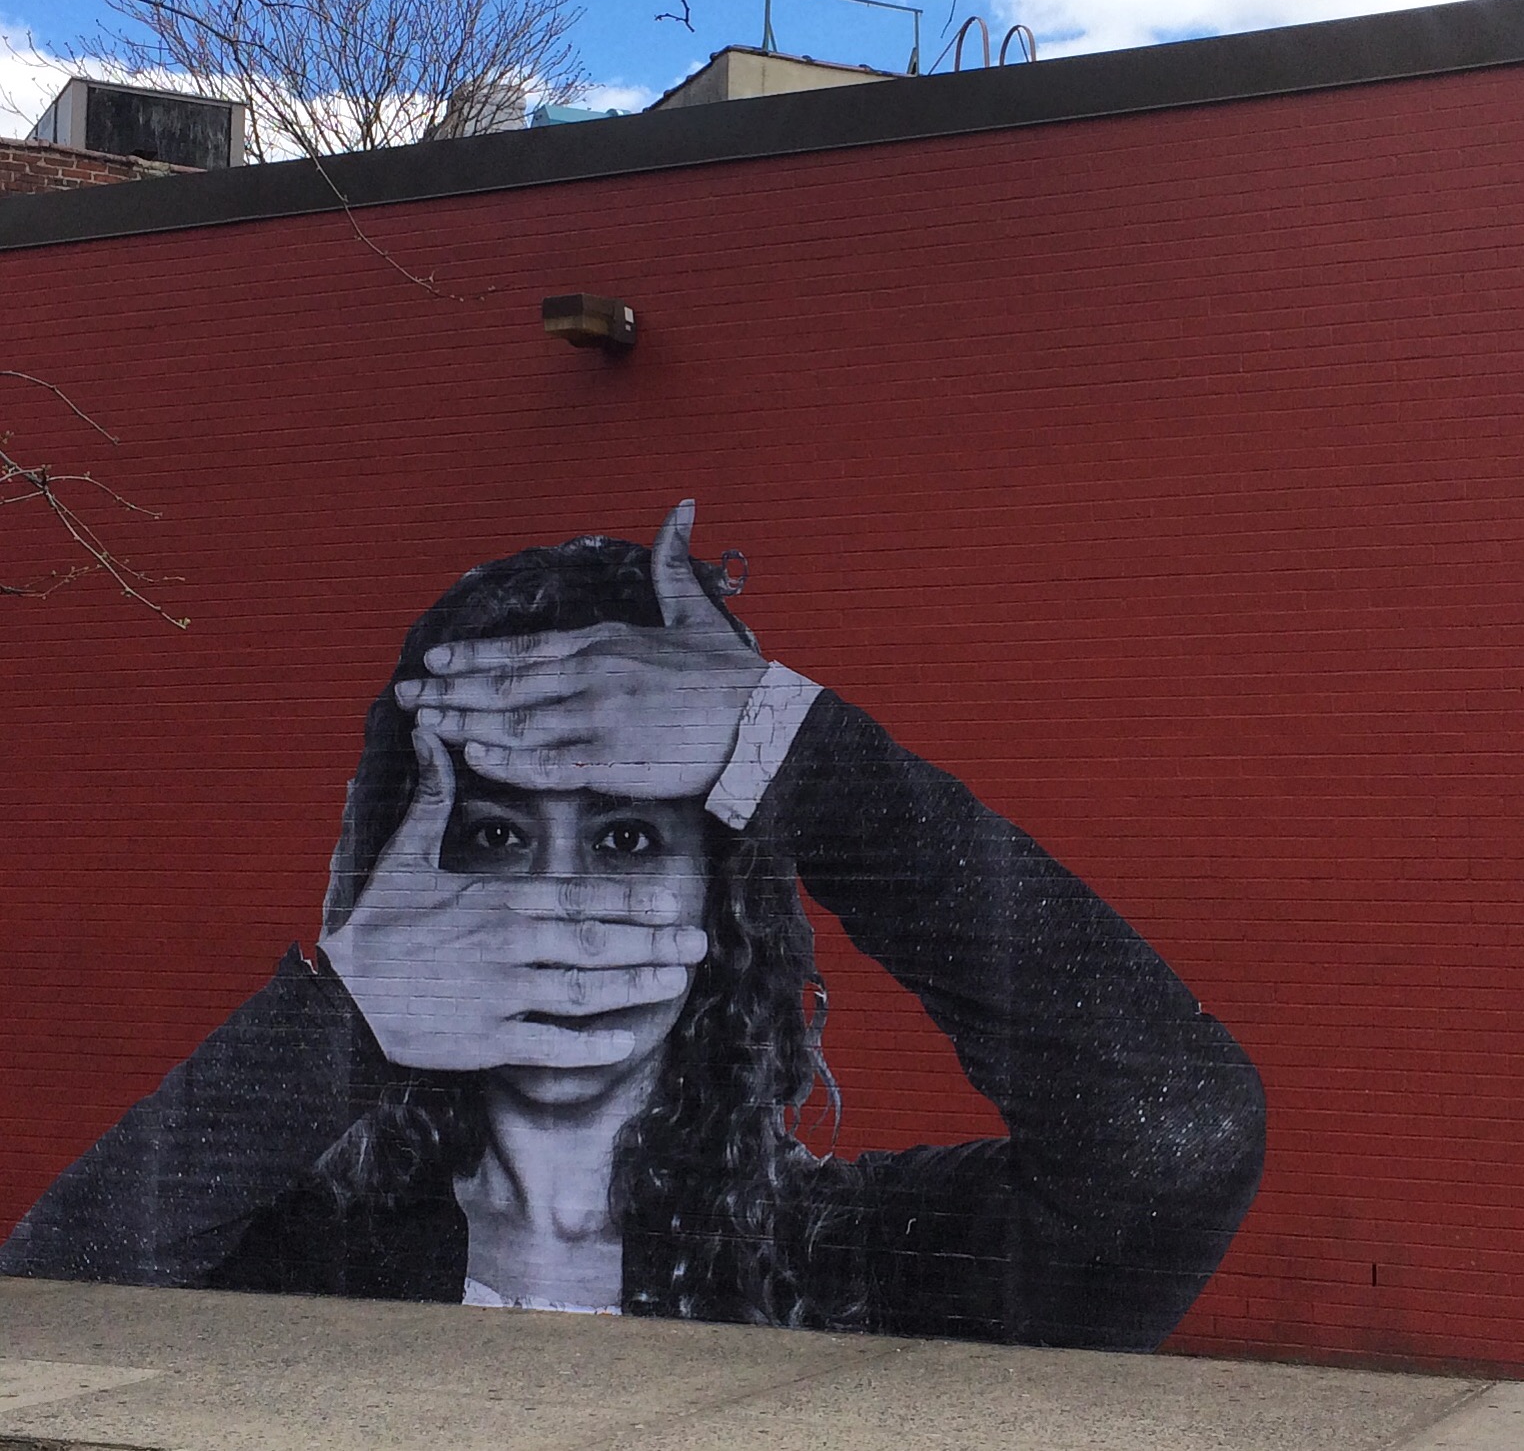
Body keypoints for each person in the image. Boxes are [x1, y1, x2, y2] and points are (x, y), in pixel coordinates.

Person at [0, 501, 1266, 1349]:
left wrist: (789, 749)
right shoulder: (299, 1264)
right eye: (494, 837)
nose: (558, 903)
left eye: (625, 839)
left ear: (720, 901)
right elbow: (44, 1334)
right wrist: (345, 1016)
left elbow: (1180, 1139)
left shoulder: (852, 1270)